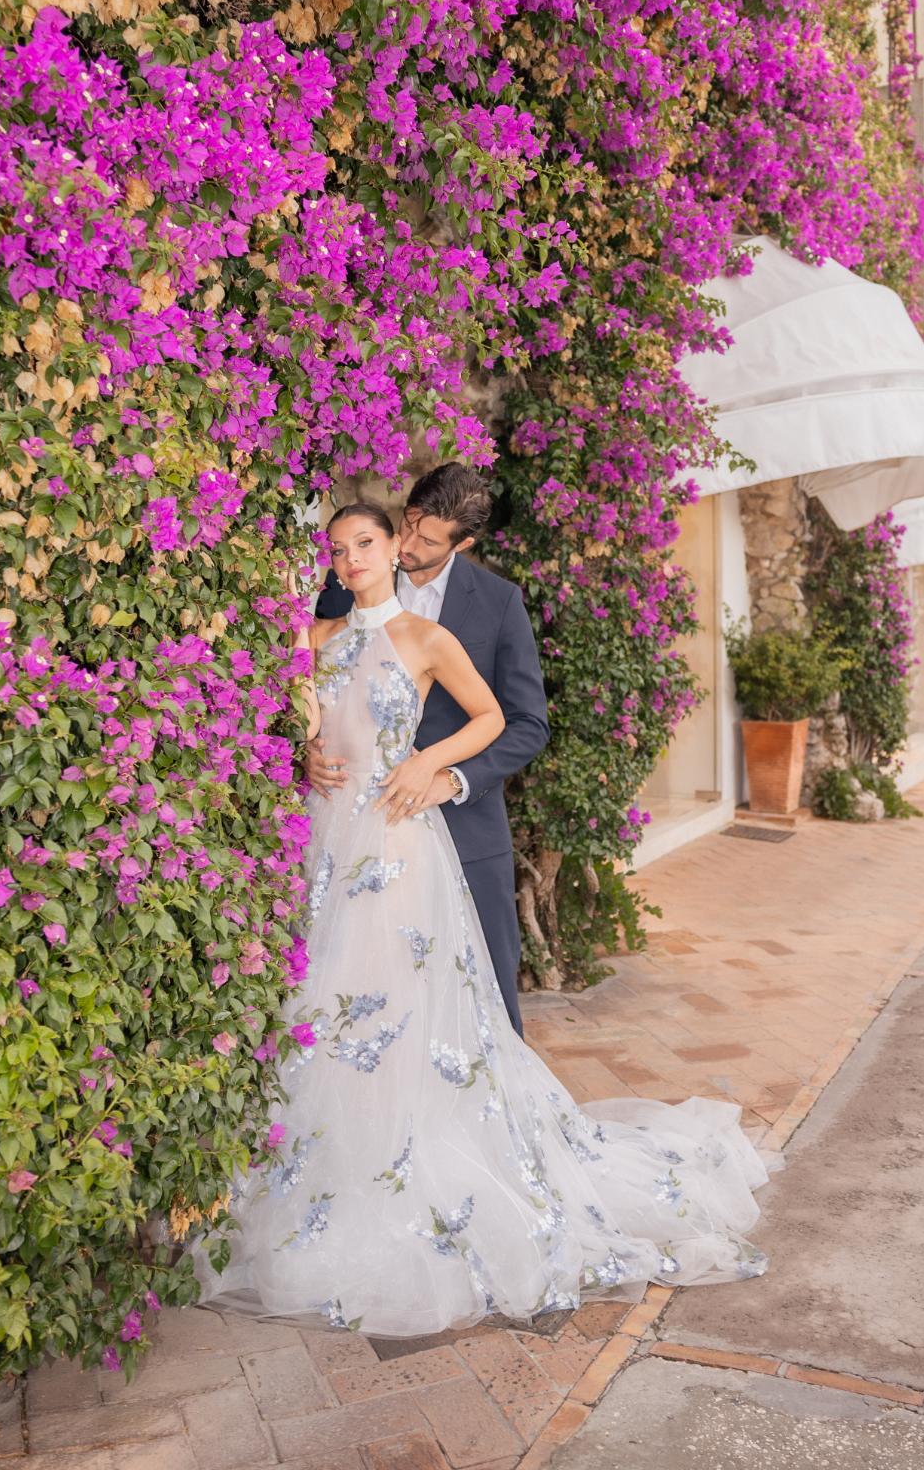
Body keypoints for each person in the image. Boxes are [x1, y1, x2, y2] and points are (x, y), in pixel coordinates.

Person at [195, 502, 772, 1336]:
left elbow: (495, 718)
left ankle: (414, 1152)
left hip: (397, 840)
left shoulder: (429, 642)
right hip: (324, 841)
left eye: (366, 543)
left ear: (395, 547)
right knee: (322, 1001)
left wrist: (430, 758)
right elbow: (298, 716)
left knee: (395, 998)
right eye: (339, 549)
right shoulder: (316, 638)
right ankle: (333, 1167)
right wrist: (304, 751)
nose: (352, 559)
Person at [310, 464, 544, 1037]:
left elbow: (525, 724)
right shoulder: (339, 587)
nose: (410, 544)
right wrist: (309, 752)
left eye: (429, 539)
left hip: (463, 830)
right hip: (347, 825)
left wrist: (448, 776)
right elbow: (318, 700)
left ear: (463, 543)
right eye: (408, 525)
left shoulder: (497, 602)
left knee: (483, 1005)